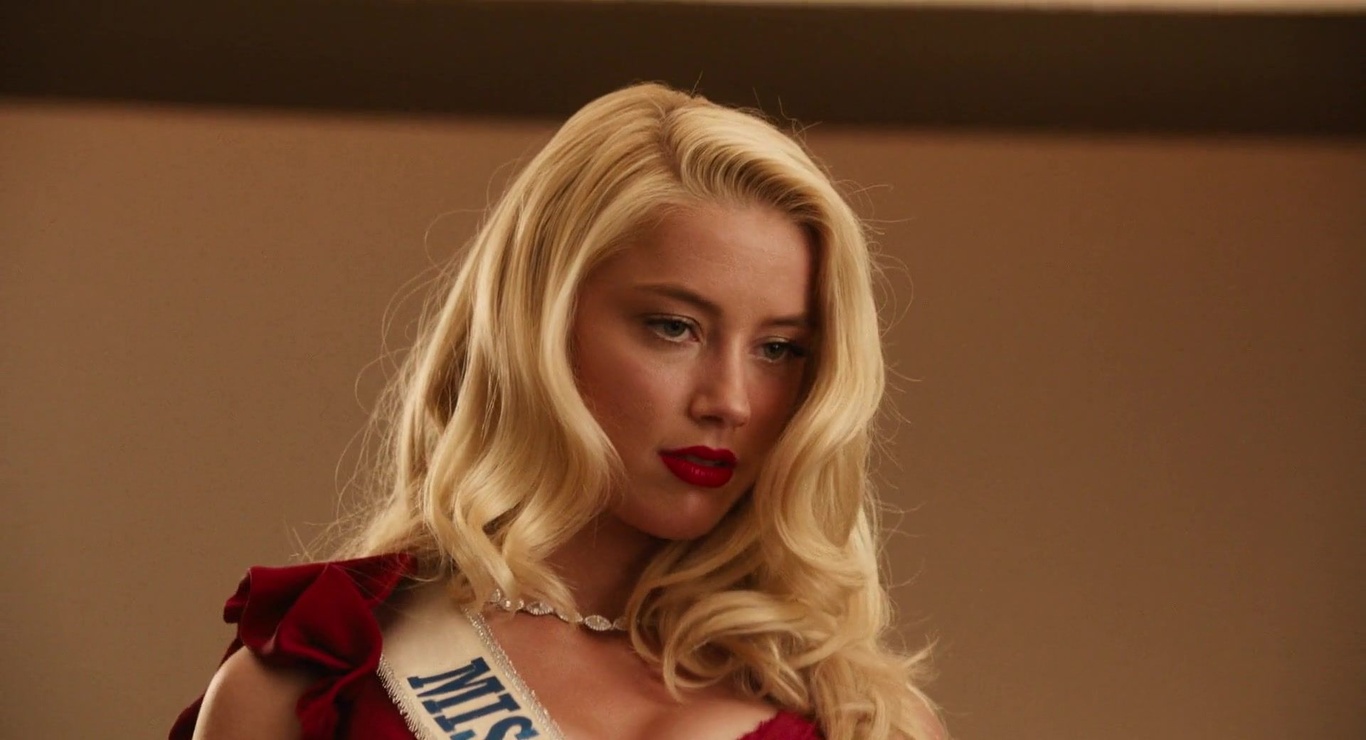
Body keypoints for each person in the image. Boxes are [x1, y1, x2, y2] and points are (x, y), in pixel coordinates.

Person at [171, 82, 944, 740]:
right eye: (674, 328)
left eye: (779, 349)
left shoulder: (864, 717)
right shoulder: (306, 687)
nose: (730, 402)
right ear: (537, 324)